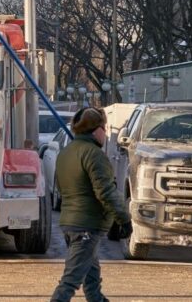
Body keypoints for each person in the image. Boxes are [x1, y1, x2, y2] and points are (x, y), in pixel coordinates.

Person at [51, 107, 132, 302]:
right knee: (71, 280)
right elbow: (106, 192)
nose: (106, 133)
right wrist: (124, 220)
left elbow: (61, 189)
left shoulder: (66, 152)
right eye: (104, 128)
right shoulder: (94, 154)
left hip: (70, 223)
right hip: (86, 226)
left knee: (91, 281)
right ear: (96, 130)